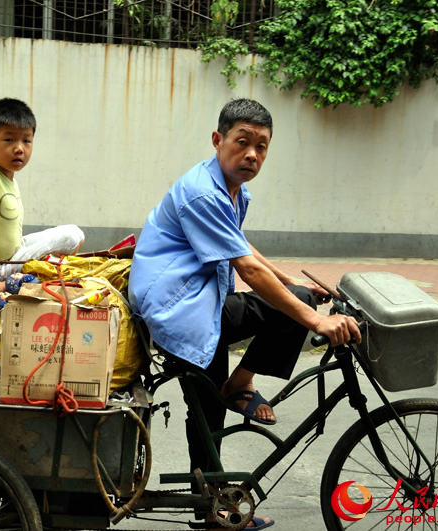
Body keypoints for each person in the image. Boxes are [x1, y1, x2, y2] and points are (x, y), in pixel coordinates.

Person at [129, 98, 361, 529]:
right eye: (242, 142)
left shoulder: (232, 189)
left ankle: (238, 385)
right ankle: (212, 505)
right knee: (207, 407)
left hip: (201, 300)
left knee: (296, 302)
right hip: (179, 311)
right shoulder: (202, 192)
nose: (252, 154)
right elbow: (247, 269)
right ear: (218, 141)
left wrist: (292, 281)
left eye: (262, 146)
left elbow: (241, 245)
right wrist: (316, 322)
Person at [0, 98, 84, 296]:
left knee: (74, 233)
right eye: (9, 139)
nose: (19, 148)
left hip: (13, 254)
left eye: (26, 140)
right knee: (72, 235)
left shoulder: (9, 179)